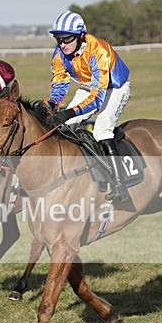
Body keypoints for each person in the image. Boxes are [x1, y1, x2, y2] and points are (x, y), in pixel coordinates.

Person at [44, 11, 132, 203]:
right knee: (64, 127)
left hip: (113, 88)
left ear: (80, 36)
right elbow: (60, 82)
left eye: (66, 39)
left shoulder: (97, 50)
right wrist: (53, 102)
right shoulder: (60, 53)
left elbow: (97, 98)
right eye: (58, 39)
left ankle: (120, 185)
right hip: (87, 86)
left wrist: (69, 112)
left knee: (101, 130)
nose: (62, 44)